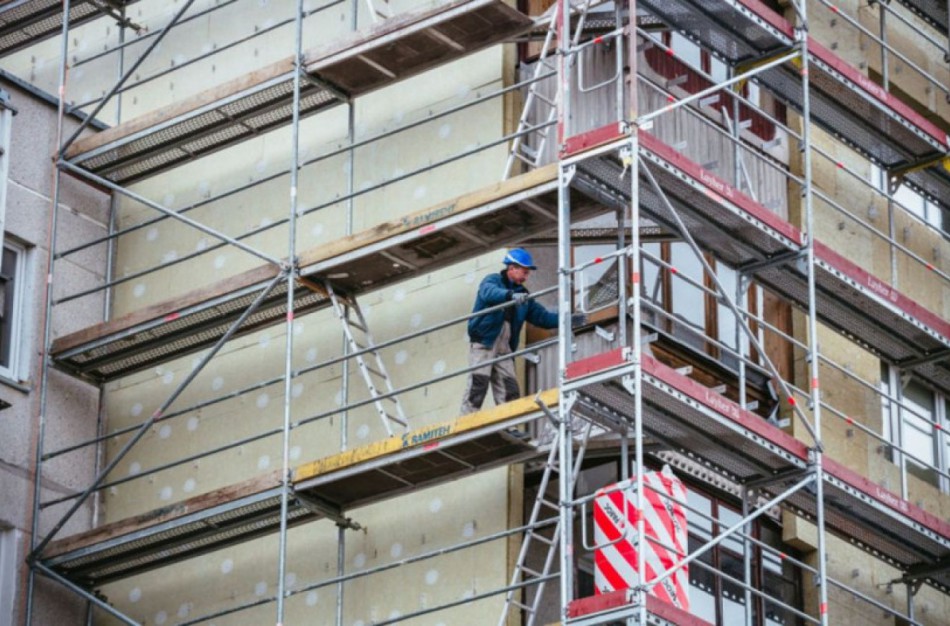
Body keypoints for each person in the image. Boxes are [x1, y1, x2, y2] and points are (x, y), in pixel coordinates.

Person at [460, 248, 587, 415]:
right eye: (524, 272)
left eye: (528, 273)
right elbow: (489, 293)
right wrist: (510, 296)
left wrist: (567, 320)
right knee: (479, 381)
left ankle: (510, 426)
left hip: (505, 346)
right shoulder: (492, 281)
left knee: (509, 385)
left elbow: (543, 317)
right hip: (485, 340)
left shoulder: (524, 297)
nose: (526, 277)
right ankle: (466, 420)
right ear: (512, 268)